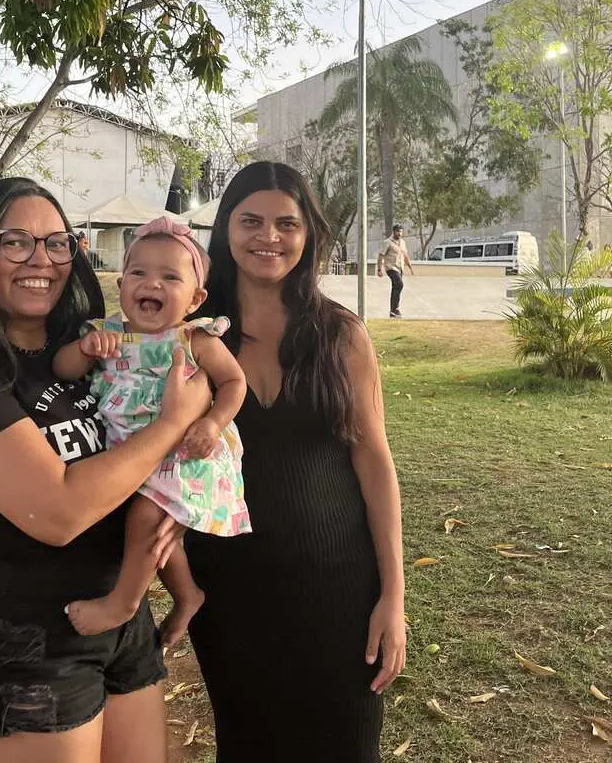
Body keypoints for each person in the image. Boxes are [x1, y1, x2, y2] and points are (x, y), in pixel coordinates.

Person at [0, 176, 212, 762]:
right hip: (29, 632)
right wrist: (173, 425)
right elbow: (58, 512)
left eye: (57, 242)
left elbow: (185, 311)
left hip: (119, 607)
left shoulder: (88, 345)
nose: (41, 259)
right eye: (15, 242)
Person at [185, 161, 405, 762]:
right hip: (228, 591)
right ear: (225, 229)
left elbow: (374, 462)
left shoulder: (341, 336)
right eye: (250, 220)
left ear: (309, 234)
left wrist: (393, 595)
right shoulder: (190, 340)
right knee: (249, 744)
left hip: (339, 588)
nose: (268, 237)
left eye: (287, 222)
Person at [53, 216, 249, 648]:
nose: (152, 284)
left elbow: (236, 383)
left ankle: (122, 603)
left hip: (186, 451)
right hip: (132, 453)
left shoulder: (194, 339)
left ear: (195, 299)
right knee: (148, 525)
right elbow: (61, 368)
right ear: (122, 285)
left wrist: (212, 422)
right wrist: (85, 350)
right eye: (139, 273)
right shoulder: (107, 334)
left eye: (169, 276)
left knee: (145, 516)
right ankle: (187, 595)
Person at [376, 223, 414, 318]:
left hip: (399, 268)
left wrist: (410, 267)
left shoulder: (403, 243)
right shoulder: (388, 242)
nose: (399, 233)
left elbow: (405, 255)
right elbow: (381, 255)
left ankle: (393, 311)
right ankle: (395, 309)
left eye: (401, 231)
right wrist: (379, 269)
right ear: (394, 232)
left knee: (396, 288)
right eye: (397, 231)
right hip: (391, 268)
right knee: (399, 284)